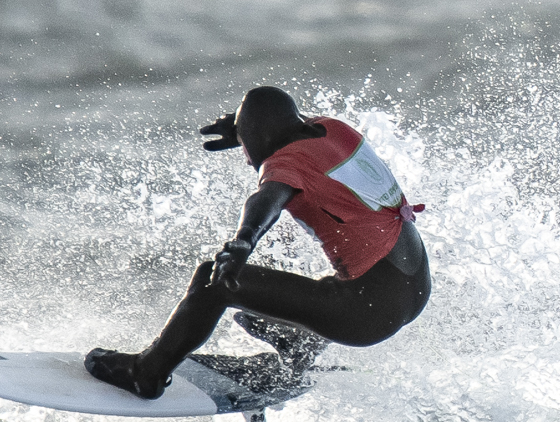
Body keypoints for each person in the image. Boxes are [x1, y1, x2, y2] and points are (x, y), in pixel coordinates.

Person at [87, 86, 430, 400]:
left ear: (260, 136)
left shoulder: (286, 163)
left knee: (215, 281)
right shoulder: (333, 129)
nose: (248, 160)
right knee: (324, 282)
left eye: (247, 147)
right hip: (413, 287)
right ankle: (299, 342)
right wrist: (242, 127)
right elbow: (281, 116)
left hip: (367, 312)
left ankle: (146, 372)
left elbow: (267, 199)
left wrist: (244, 241)